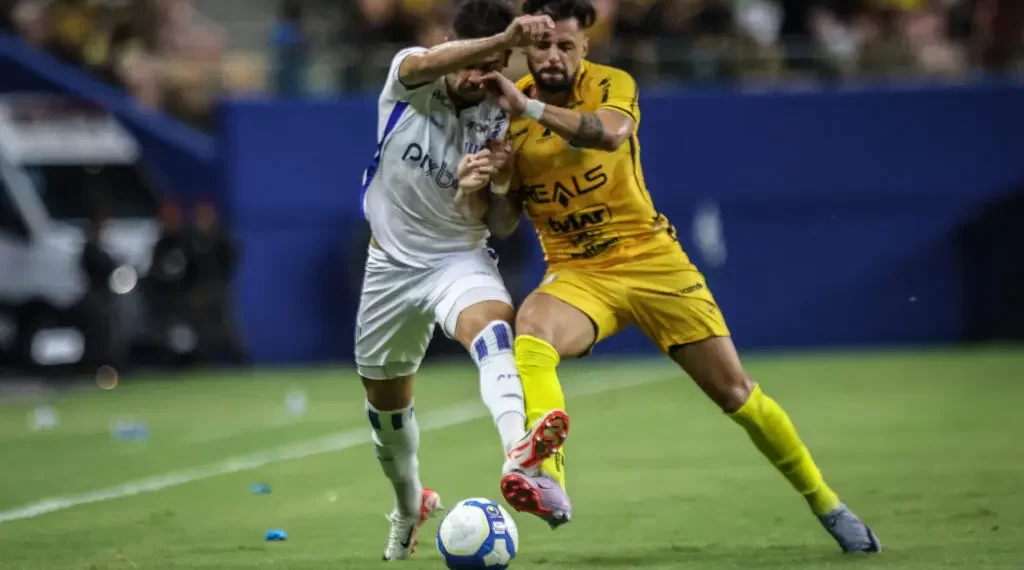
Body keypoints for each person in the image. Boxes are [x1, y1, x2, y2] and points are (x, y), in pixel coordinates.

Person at [460, 0, 882, 553]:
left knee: (736, 393)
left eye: (567, 45)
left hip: (652, 260)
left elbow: (608, 135)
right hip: (579, 272)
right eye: (544, 45)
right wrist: (493, 183)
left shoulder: (612, 84)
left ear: (585, 48)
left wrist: (530, 111)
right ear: (526, 48)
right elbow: (505, 223)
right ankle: (548, 480)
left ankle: (826, 502)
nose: (555, 56)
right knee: (532, 326)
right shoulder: (505, 116)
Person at [354, 0, 570, 561]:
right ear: (457, 50)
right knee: (387, 415)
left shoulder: (497, 115)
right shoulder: (410, 77)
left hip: (457, 258)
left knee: (494, 331)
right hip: (392, 266)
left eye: (498, 64)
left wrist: (489, 186)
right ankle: (408, 505)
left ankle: (518, 457)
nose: (483, 77)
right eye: (477, 62)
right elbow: (435, 62)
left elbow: (497, 225)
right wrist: (503, 37)